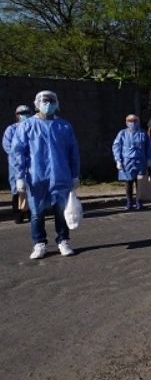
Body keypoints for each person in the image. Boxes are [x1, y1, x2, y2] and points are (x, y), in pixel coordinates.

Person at [12, 91, 80, 259]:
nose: (48, 104)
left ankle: (63, 240)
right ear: (37, 103)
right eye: (45, 101)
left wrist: (75, 174)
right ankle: (39, 243)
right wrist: (19, 176)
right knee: (37, 212)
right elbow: (18, 152)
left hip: (61, 174)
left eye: (51, 101)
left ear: (57, 104)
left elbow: (73, 152)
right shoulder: (27, 126)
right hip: (36, 175)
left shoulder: (64, 126)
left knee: (61, 210)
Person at [112, 114, 151, 210]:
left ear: (138, 122)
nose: (132, 123)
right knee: (128, 183)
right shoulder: (122, 133)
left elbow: (148, 147)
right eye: (130, 121)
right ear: (126, 122)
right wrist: (118, 160)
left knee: (140, 183)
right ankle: (129, 202)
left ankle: (139, 202)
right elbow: (116, 146)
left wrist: (149, 159)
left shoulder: (143, 133)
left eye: (135, 121)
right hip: (127, 161)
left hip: (140, 161)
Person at [3, 105, 32, 224]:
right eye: (22, 113)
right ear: (16, 115)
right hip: (15, 165)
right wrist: (19, 155)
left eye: (27, 112)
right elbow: (7, 146)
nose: (24, 115)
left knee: (31, 189)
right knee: (17, 189)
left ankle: (31, 214)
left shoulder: (33, 127)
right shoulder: (11, 129)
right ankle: (18, 214)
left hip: (31, 165)